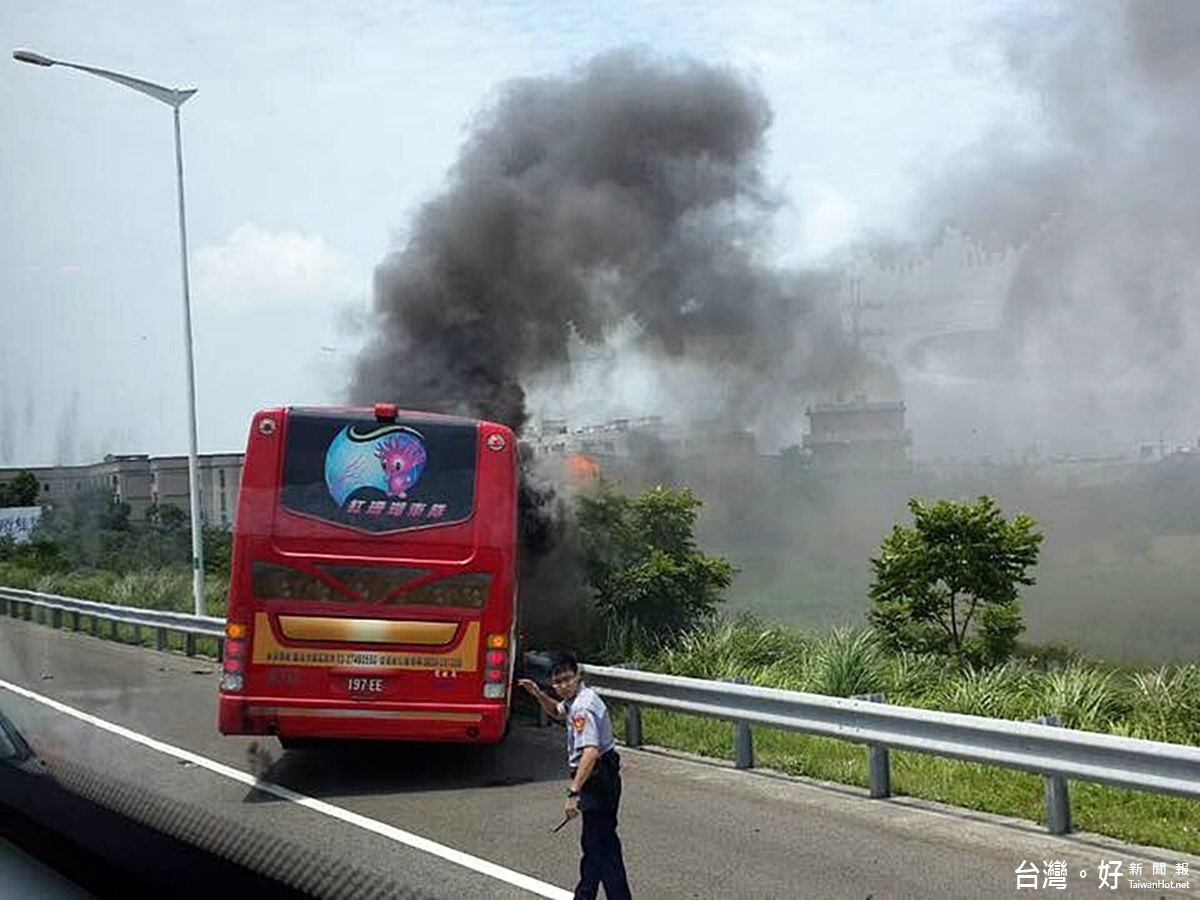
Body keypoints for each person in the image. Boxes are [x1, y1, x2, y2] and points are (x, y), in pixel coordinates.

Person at [519, 653, 632, 900]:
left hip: (597, 777)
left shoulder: (583, 706)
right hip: (602, 775)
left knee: (600, 847)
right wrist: (538, 694)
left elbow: (590, 753)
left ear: (577, 676)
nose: (562, 685)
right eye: (557, 682)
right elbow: (558, 712)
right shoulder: (575, 700)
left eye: (567, 679)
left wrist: (574, 792)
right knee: (598, 844)